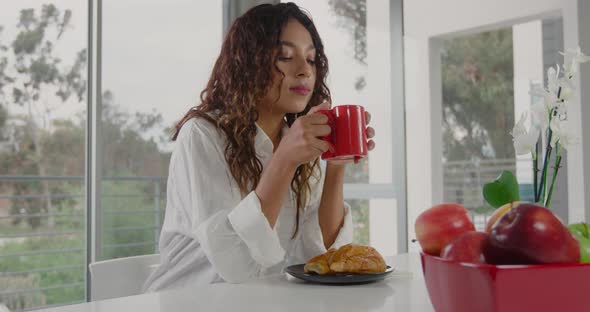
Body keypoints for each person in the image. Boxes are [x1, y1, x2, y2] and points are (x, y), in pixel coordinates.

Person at [143, 2, 376, 291]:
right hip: (187, 301)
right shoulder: (202, 134)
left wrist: (336, 164)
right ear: (247, 62)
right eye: (285, 56)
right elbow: (235, 265)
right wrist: (284, 160)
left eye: (312, 60)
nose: (304, 71)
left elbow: (318, 256)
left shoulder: (298, 141)